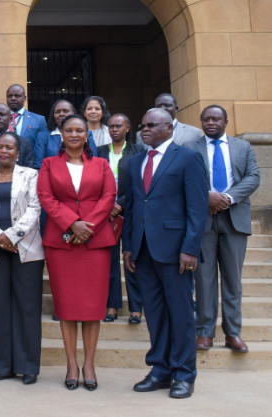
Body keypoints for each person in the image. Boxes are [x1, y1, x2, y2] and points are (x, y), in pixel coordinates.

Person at [123, 108, 208, 399]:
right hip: (144, 251)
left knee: (182, 314)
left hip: (176, 252)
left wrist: (190, 248)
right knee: (156, 313)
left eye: (151, 125)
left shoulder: (187, 158)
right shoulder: (134, 163)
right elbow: (131, 208)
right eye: (142, 125)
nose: (144, 129)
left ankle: (184, 374)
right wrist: (129, 247)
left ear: (169, 128)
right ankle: (160, 369)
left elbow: (197, 208)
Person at [37, 114, 116, 391]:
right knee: (67, 307)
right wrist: (72, 223)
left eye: (79, 130)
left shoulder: (102, 165)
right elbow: (46, 197)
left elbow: (109, 197)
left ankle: (89, 364)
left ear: (87, 135)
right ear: (61, 133)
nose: (74, 134)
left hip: (95, 244)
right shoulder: (48, 164)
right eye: (68, 130)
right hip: (62, 243)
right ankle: (72, 363)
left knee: (93, 308)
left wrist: (87, 227)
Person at [185, 105, 260, 354]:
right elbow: (185, 179)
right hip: (202, 220)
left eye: (216, 118)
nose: (210, 123)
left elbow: (252, 177)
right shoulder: (190, 148)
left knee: (232, 280)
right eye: (205, 119)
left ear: (226, 121)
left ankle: (232, 333)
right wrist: (206, 196)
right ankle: (204, 332)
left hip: (234, 219)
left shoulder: (242, 147)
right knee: (203, 279)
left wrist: (227, 197)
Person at [0, 132, 43, 384]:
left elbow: (35, 208)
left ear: (18, 152)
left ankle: (28, 366)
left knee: (26, 307)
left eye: (9, 147)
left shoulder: (31, 174)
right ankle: (0, 365)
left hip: (26, 249)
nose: (3, 151)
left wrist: (13, 236)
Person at [97, 114, 147, 324]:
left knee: (131, 259)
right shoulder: (99, 152)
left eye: (119, 126)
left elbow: (141, 184)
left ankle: (136, 308)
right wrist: (107, 207)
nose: (114, 129)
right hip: (105, 216)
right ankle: (111, 305)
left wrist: (120, 204)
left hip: (131, 213)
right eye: (111, 126)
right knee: (108, 262)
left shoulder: (138, 151)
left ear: (128, 128)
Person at [0, 84, 48, 169]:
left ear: (25, 98)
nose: (13, 98)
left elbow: (41, 148)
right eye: (10, 96)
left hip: (28, 167)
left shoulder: (39, 120)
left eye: (17, 96)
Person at [135, 93, 202, 146]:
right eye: (159, 106)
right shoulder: (141, 135)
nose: (163, 108)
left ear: (176, 109)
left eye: (167, 105)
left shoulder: (194, 133)